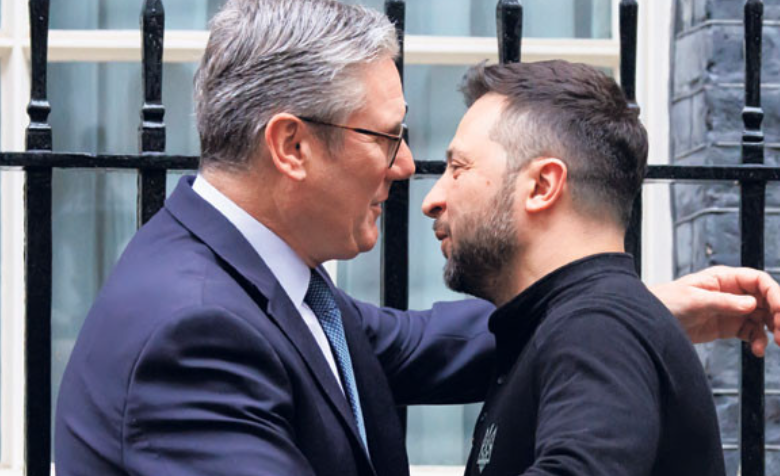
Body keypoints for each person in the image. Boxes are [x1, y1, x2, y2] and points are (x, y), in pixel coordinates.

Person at [54, 1, 780, 475]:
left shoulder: (257, 282)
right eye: (386, 135)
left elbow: (414, 344)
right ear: (292, 146)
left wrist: (622, 312)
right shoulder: (196, 330)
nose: (407, 168)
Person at [421, 60, 726, 475]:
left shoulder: (597, 329)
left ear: (542, 186)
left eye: (458, 168)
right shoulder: (578, 324)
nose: (433, 200)